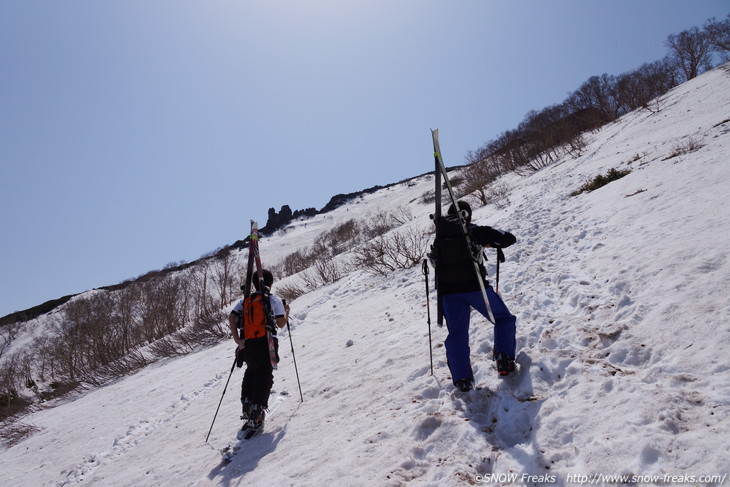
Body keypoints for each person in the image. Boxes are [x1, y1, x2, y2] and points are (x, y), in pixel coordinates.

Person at [434, 200, 517, 392]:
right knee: (503, 318)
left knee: (457, 333)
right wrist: (489, 241)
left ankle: (462, 379)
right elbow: (508, 239)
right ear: (467, 215)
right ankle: (504, 359)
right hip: (475, 288)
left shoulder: (440, 237)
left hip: (448, 293)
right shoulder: (473, 231)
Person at [228, 269, 289, 431]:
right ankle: (257, 411)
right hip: (266, 342)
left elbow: (232, 316)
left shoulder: (246, 300)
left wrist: (237, 339)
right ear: (270, 283)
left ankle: (247, 404)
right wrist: (287, 311)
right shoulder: (272, 299)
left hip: (248, 345)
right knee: (264, 374)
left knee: (251, 372)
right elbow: (281, 324)